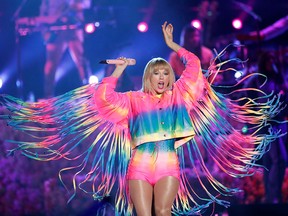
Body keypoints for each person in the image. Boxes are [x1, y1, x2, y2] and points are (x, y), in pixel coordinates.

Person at [0, 22, 285, 215]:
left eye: (165, 74)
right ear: (149, 78)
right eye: (156, 74)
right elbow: (102, 100)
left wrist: (175, 46)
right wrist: (117, 72)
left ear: (169, 77)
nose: (161, 78)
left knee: (162, 212)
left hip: (167, 166)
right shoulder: (133, 100)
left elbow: (195, 66)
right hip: (138, 167)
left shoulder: (179, 96)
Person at [39, 0, 92, 98]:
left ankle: (89, 94)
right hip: (55, 30)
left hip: (74, 27)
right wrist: (45, 31)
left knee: (81, 61)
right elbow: (43, 11)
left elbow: (87, 3)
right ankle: (48, 96)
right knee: (50, 65)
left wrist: (75, 5)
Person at [257, 51, 288, 204]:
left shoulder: (277, 78)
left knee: (272, 161)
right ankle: (272, 195)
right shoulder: (260, 80)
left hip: (278, 122)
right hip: (269, 124)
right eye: (268, 61)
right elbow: (261, 101)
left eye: (273, 61)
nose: (271, 64)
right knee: (277, 160)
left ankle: (272, 195)